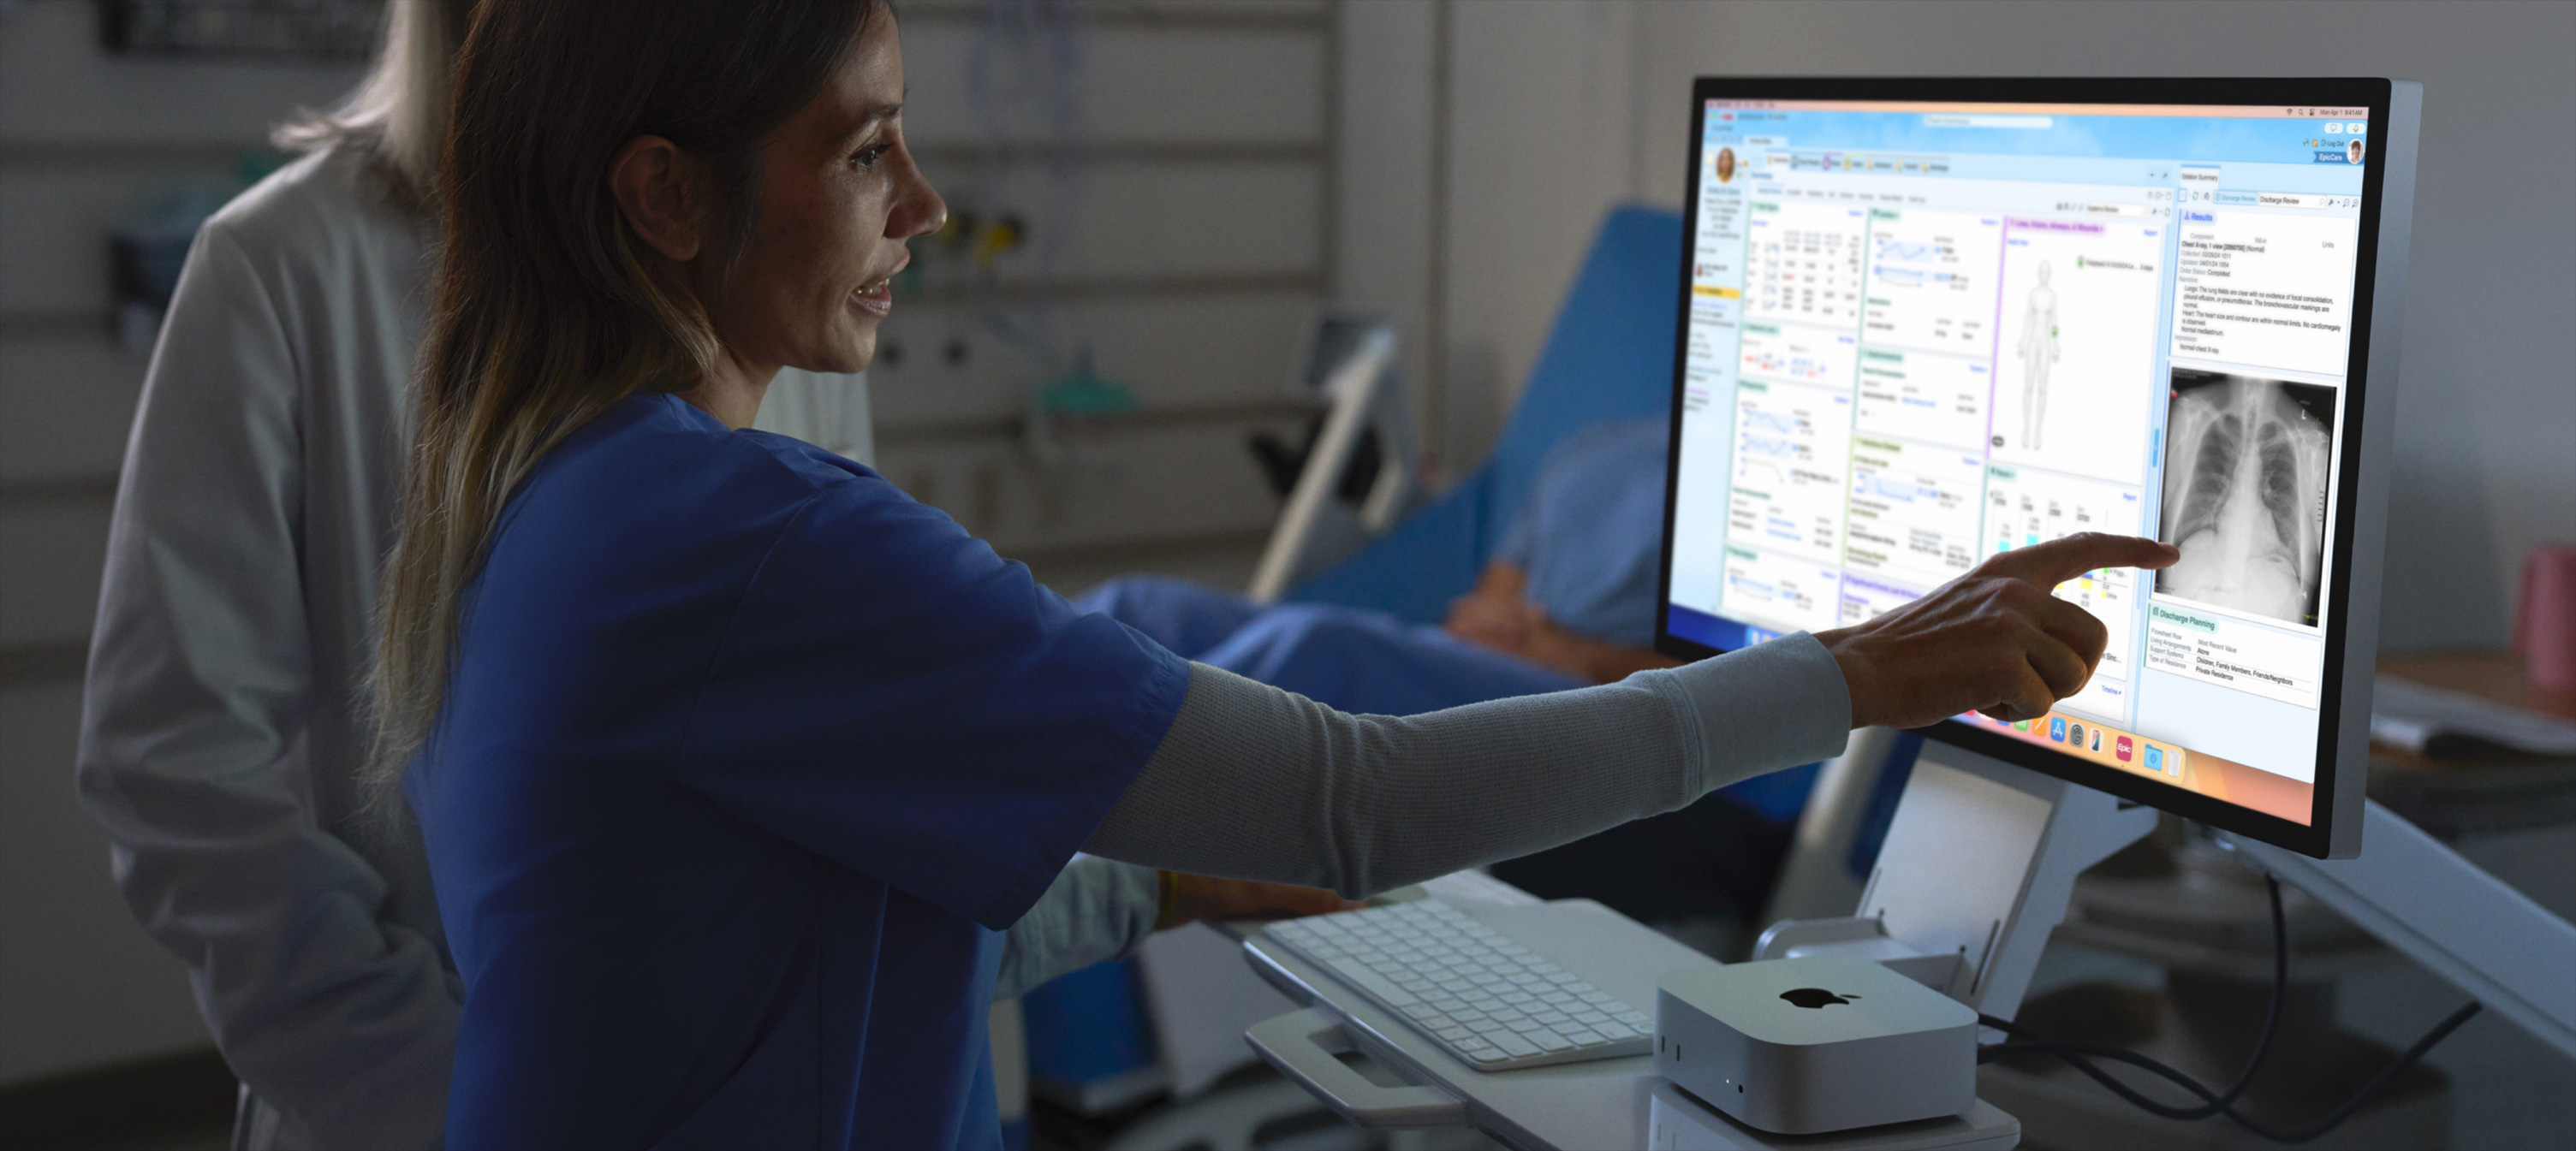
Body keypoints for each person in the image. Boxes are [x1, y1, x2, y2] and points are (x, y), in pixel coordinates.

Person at [389, 3, 2175, 1147]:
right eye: (864, 151)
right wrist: (1848, 674)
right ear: (665, 198)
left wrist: (1158, 890)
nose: (921, 205)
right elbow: (1362, 798)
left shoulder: (559, 502)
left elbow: (782, 936)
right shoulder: (752, 541)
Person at [71, 3, 1319, 1148]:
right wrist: (445, 1090)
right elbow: (176, 774)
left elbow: (847, 770)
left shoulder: (771, 262)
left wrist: (1153, 883)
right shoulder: (283, 267)